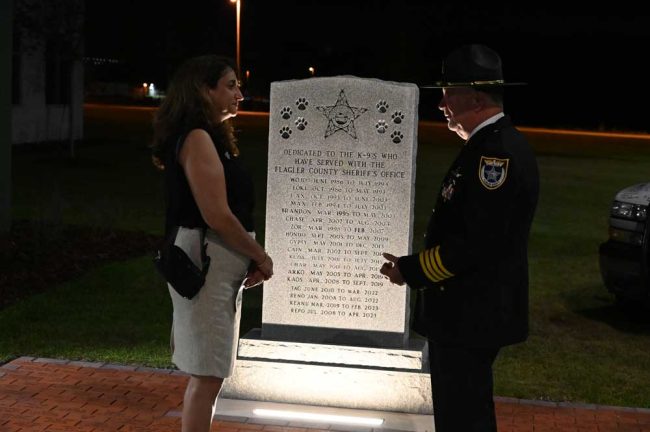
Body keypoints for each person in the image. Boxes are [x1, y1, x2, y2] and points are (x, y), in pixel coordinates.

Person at [380, 44, 539, 432]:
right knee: (463, 413)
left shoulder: (494, 156)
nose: (441, 104)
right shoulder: (490, 146)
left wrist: (411, 269)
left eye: (448, 93)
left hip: (470, 313)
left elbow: (475, 245)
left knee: (463, 418)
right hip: (472, 312)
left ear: (476, 97)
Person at [151, 55, 273, 432]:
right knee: (208, 374)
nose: (240, 92)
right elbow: (216, 215)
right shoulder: (198, 139)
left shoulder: (204, 137)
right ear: (205, 90)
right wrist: (261, 256)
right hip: (206, 265)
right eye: (230, 85)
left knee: (207, 373)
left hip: (214, 264)